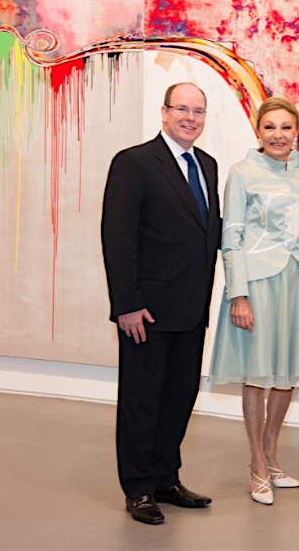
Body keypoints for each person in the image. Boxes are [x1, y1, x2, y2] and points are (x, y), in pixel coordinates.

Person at [101, 83, 221, 525]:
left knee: (178, 397)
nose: (190, 118)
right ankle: (137, 489)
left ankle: (165, 478)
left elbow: (208, 232)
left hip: (191, 309)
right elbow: (117, 237)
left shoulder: (206, 165)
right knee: (141, 401)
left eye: (199, 111)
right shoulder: (134, 163)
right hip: (146, 311)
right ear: (164, 112)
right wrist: (127, 303)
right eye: (182, 109)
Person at [209, 97, 299, 506]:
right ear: (259, 131)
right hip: (256, 283)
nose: (278, 135)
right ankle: (257, 464)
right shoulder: (241, 173)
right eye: (270, 127)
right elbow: (231, 238)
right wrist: (237, 294)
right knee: (256, 375)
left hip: (295, 284)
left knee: (287, 372)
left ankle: (272, 456)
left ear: (297, 132)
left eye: (286, 127)